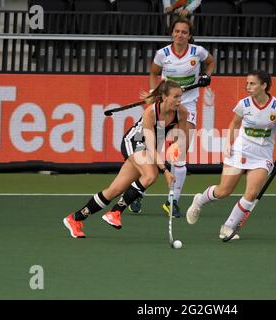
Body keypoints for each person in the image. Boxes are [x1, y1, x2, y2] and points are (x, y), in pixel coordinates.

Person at [63, 80, 188, 238]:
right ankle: (115, 212)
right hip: (135, 142)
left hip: (150, 148)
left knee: (115, 189)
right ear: (164, 97)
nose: (179, 100)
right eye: (175, 97)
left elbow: (181, 138)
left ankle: (75, 218)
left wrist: (176, 149)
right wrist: (165, 170)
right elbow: (149, 145)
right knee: (150, 175)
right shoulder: (151, 112)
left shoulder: (181, 112)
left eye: (180, 97)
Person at [185, 71, 276, 240]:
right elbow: (234, 123)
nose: (248, 87)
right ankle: (199, 201)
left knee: (251, 194)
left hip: (261, 157)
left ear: (264, 85)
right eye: (247, 83)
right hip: (239, 151)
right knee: (223, 191)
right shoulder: (244, 104)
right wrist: (228, 143)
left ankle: (228, 227)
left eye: (252, 84)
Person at [129, 17, 215, 217]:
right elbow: (153, 72)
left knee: (180, 153)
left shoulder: (197, 52)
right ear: (172, 33)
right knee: (151, 151)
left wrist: (207, 76)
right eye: (177, 31)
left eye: (184, 32)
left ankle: (172, 201)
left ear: (189, 35)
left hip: (188, 106)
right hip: (165, 106)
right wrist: (153, 92)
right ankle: (138, 191)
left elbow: (211, 62)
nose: (180, 35)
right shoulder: (163, 54)